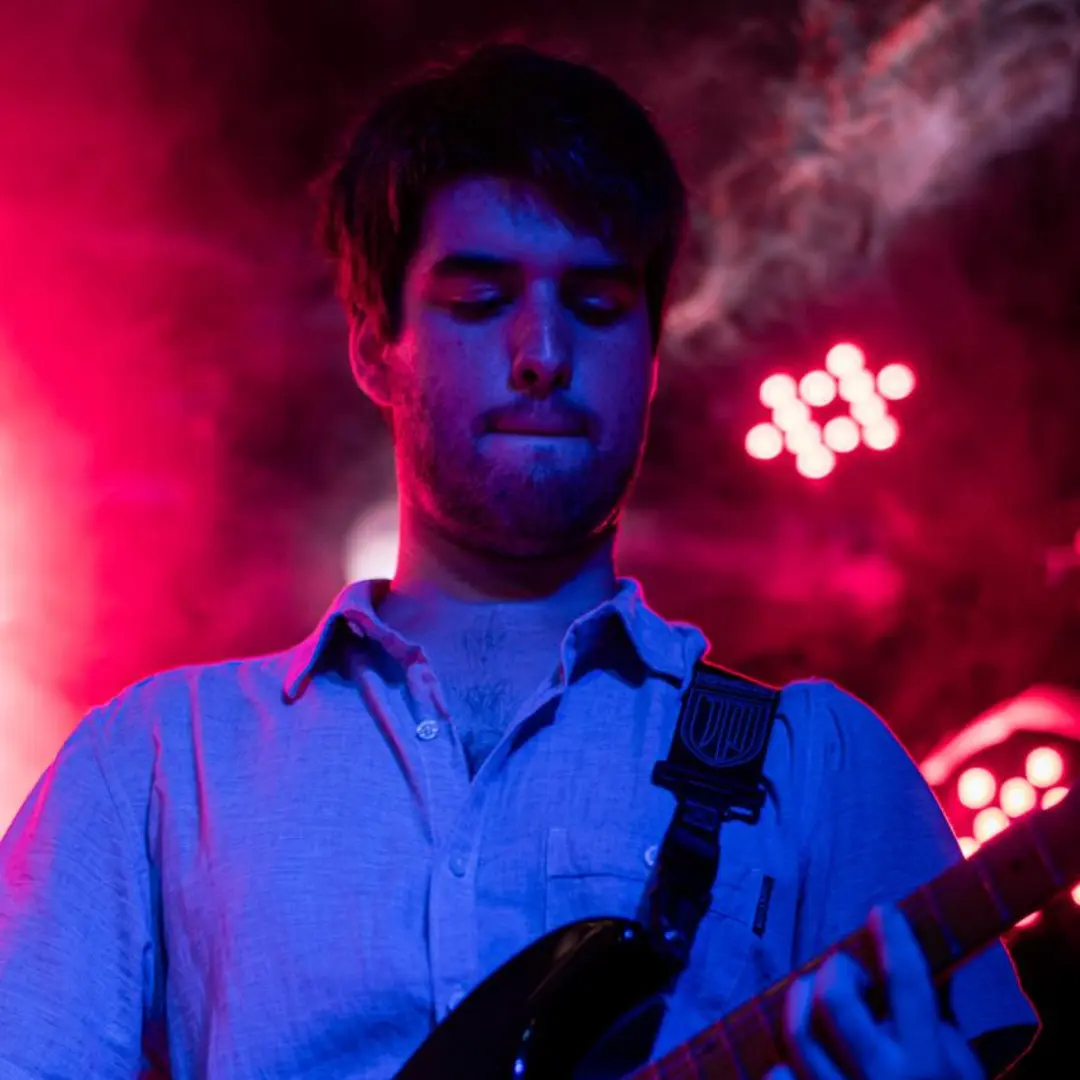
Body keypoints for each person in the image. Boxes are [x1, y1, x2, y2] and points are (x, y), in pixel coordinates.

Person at [0, 43, 1039, 1080]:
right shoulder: (158, 762)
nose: (542, 353)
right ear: (373, 347)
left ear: (651, 357)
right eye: (479, 300)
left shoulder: (821, 768)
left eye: (595, 307)